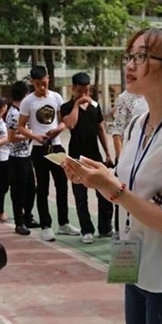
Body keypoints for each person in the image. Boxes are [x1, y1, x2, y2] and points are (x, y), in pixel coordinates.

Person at [62, 27, 162, 324]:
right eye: (129, 56)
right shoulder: (136, 125)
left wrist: (113, 188)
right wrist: (95, 179)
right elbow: (127, 193)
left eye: (142, 56)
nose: (130, 64)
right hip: (138, 270)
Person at [18, 66, 80, 242]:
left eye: (44, 83)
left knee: (62, 185)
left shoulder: (56, 97)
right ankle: (46, 225)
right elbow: (21, 126)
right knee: (43, 187)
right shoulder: (27, 101)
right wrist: (34, 135)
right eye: (38, 85)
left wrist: (58, 129)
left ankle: (64, 223)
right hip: (39, 148)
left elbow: (63, 120)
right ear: (32, 83)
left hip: (57, 146)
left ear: (49, 79)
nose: (41, 88)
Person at [60, 72, 114, 244]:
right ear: (73, 89)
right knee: (80, 196)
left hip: (94, 156)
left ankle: (105, 227)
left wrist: (107, 153)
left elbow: (100, 129)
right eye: (81, 91)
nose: (85, 95)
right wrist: (76, 104)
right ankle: (86, 230)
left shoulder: (95, 106)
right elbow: (71, 124)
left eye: (87, 91)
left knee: (104, 192)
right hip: (76, 157)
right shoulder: (66, 107)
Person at [6, 80, 39, 235]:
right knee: (18, 191)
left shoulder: (24, 112)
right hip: (16, 158)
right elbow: (11, 137)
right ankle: (19, 222)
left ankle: (28, 216)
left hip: (27, 156)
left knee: (31, 189)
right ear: (25, 95)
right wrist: (30, 136)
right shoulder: (13, 114)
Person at [110, 89, 148, 165]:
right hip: (131, 153)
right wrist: (120, 161)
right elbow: (117, 131)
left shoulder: (156, 93)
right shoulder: (125, 97)